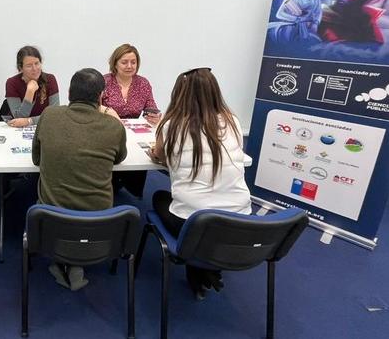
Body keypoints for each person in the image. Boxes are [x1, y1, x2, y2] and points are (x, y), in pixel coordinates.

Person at [149, 67, 251, 300]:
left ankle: (199, 267)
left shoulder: (171, 125)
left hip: (192, 223)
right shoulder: (232, 120)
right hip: (239, 220)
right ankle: (206, 268)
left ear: (180, 94)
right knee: (206, 218)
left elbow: (159, 155)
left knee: (159, 198)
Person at [32, 68, 127, 291]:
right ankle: (75, 262)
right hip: (99, 222)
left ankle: (63, 260)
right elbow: (120, 158)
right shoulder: (113, 126)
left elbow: (36, 159)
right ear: (101, 96)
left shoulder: (49, 116)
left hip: (51, 218)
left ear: (68, 93)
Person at [99, 44, 161, 198]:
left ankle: (131, 189)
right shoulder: (104, 81)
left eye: (133, 62)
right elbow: (94, 106)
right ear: (115, 63)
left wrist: (155, 116)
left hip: (133, 132)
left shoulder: (143, 83)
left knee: (139, 155)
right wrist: (106, 110)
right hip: (107, 129)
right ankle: (110, 187)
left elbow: (151, 107)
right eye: (124, 62)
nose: (129, 66)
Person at [5, 46, 59, 127]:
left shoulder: (50, 80)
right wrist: (30, 92)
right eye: (29, 65)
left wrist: (29, 121)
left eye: (37, 63)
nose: (34, 68)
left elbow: (54, 115)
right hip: (18, 130)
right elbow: (19, 117)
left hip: (44, 127)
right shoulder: (12, 83)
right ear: (21, 68)